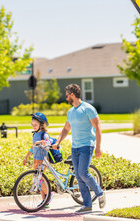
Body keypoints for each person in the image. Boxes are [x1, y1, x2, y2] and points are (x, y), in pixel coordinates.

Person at [53, 84, 106, 213]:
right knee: (78, 175)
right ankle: (87, 204)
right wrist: (58, 141)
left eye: (67, 95)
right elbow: (66, 129)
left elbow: (98, 128)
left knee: (83, 173)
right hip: (75, 147)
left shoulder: (88, 109)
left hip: (87, 145)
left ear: (72, 95)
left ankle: (100, 193)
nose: (66, 98)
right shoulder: (71, 112)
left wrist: (98, 147)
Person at [23, 112, 53, 208]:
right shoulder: (34, 134)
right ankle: (44, 201)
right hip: (36, 160)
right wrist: (26, 157)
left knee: (39, 179)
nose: (33, 126)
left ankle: (49, 194)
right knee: (37, 180)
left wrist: (39, 142)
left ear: (41, 124)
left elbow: (48, 142)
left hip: (43, 160)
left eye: (35, 125)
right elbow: (33, 148)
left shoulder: (44, 134)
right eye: (32, 125)